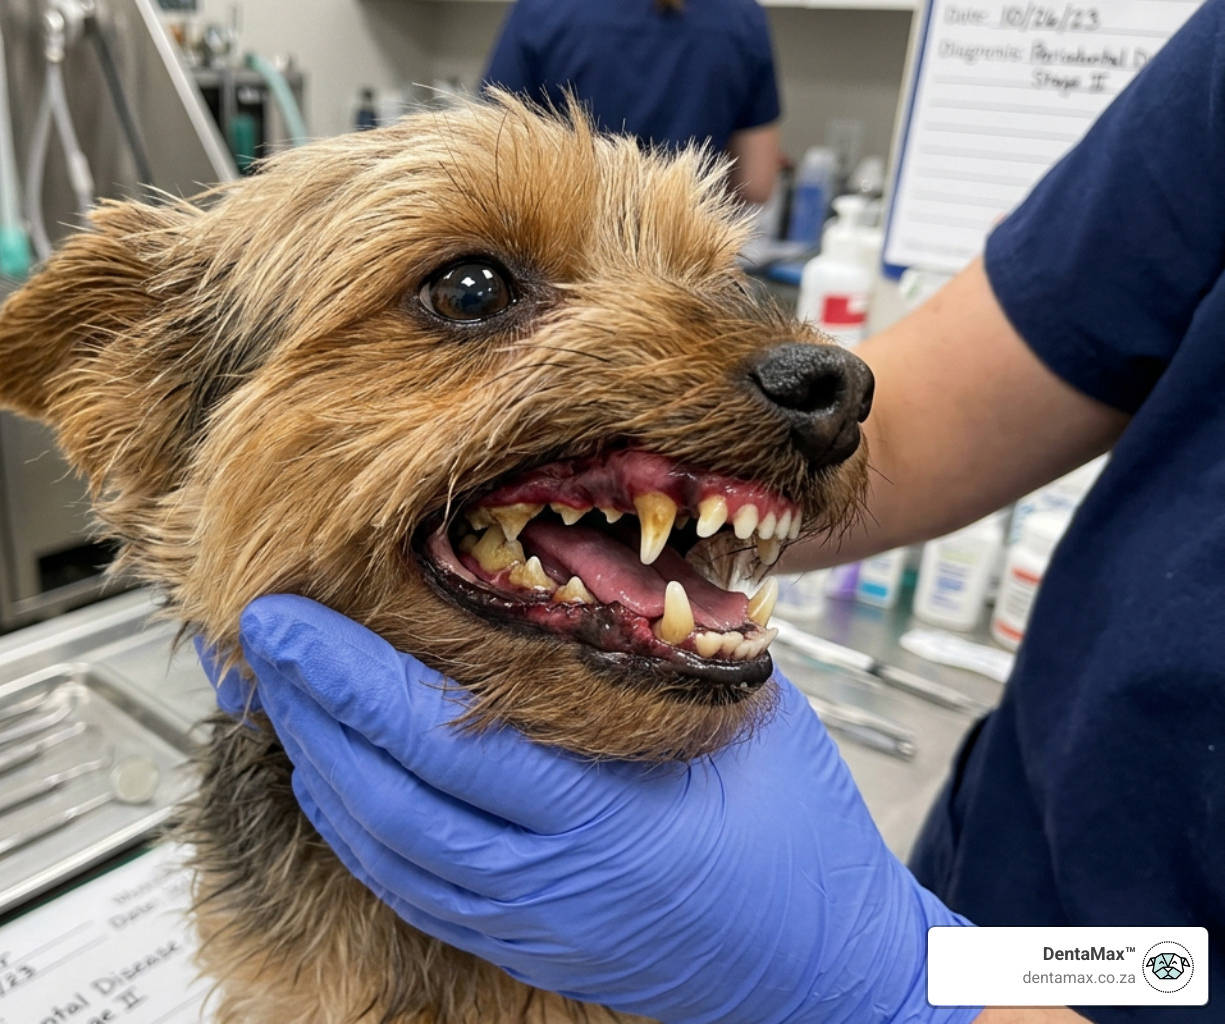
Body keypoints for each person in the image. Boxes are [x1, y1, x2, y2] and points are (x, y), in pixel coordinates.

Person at [211, 0, 1225, 1020]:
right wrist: (928, 968)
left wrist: (885, 979)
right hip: (1030, 930)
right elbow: (892, 423)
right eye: (471, 292)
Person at [482, 0, 782, 204]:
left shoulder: (544, 8)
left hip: (567, 262)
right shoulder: (743, 16)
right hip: (683, 261)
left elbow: (490, 156)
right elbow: (756, 183)